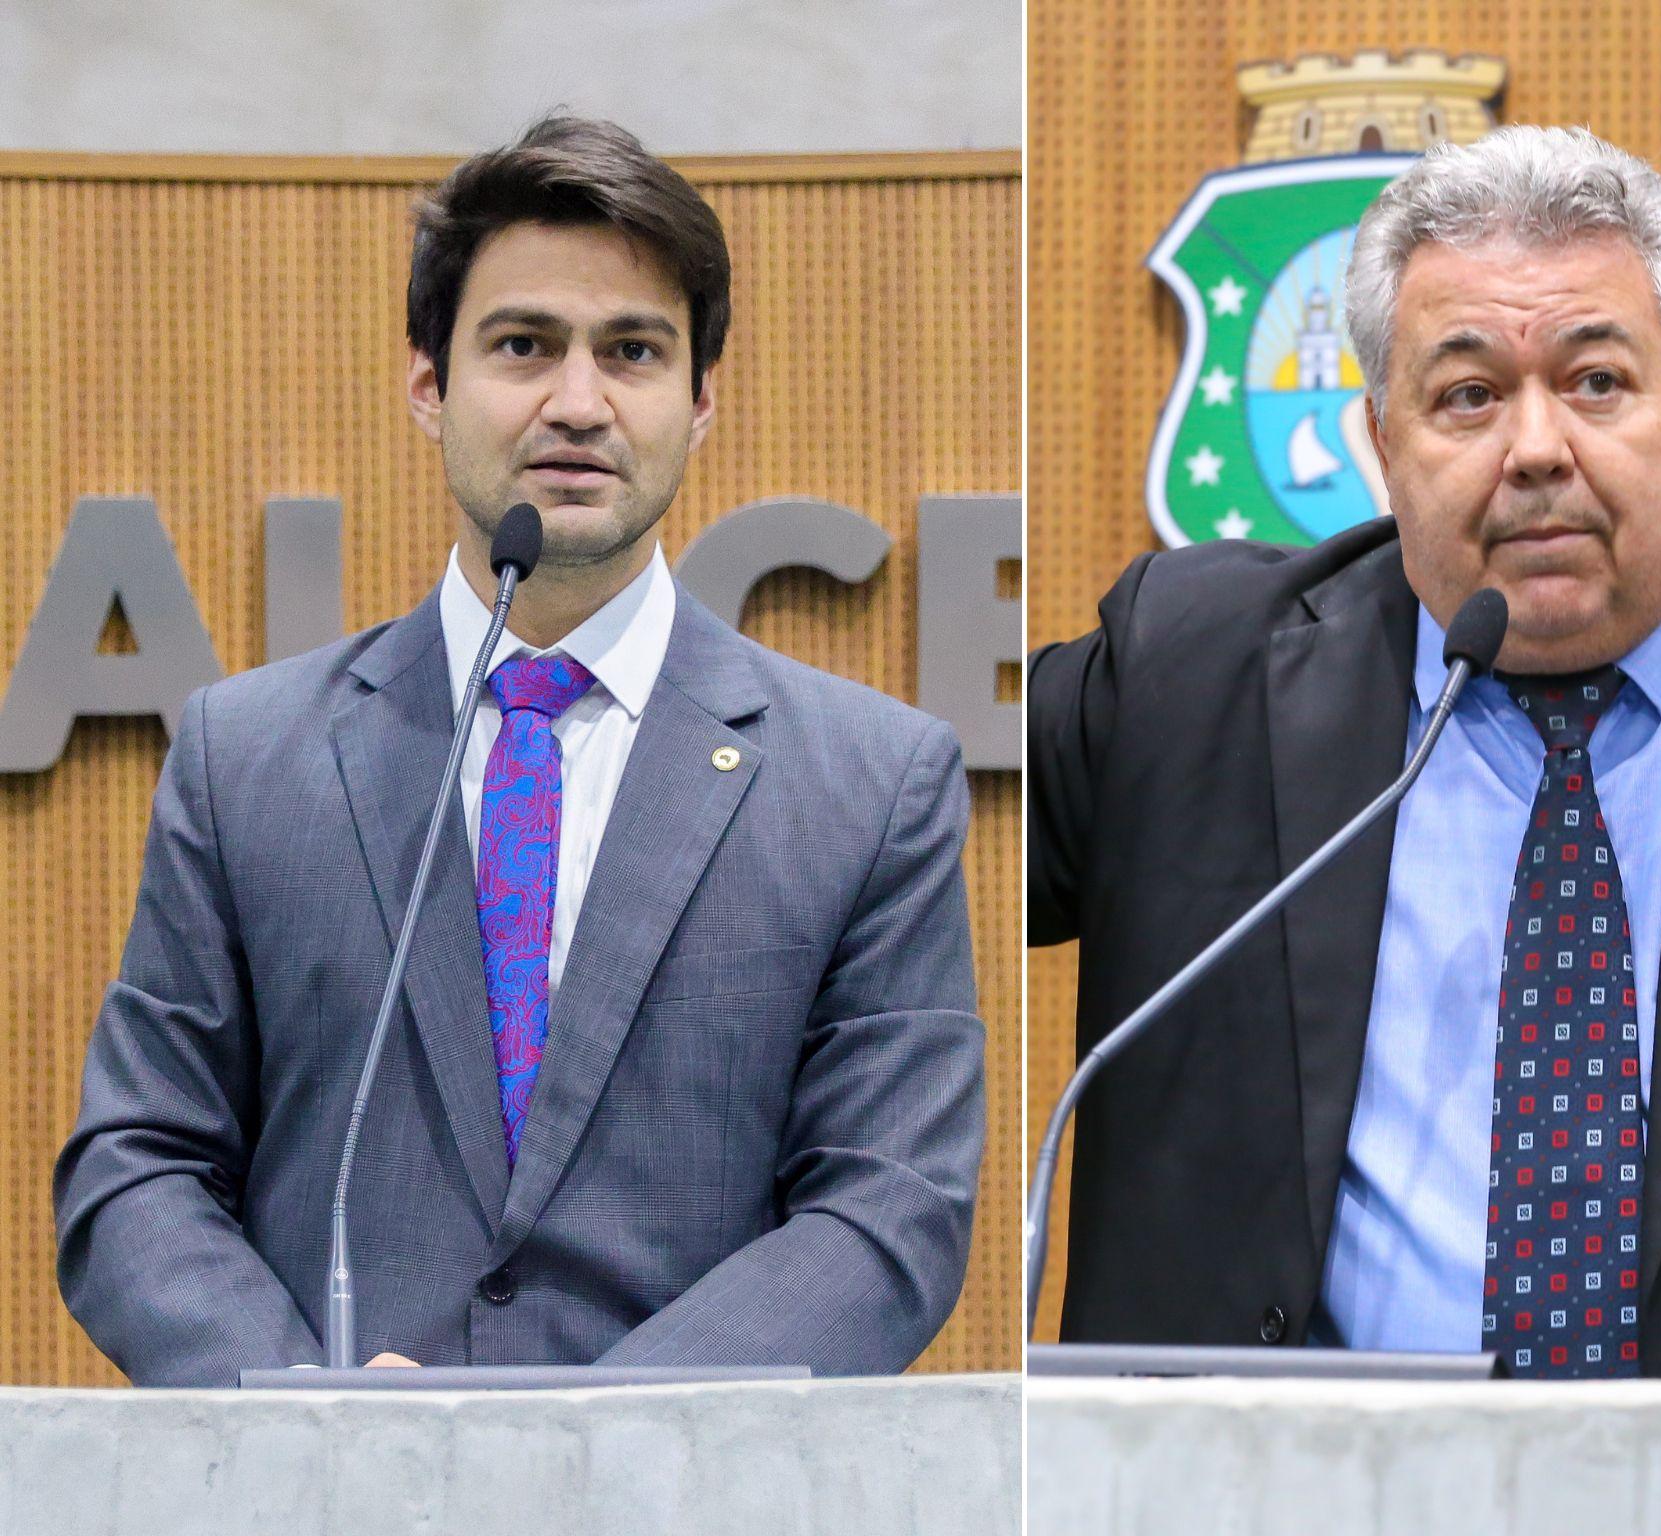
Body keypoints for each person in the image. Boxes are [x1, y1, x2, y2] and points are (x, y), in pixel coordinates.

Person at [1028, 125, 1661, 1378]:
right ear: (1381, 444)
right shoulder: (1187, 674)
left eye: (1595, 382)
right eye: (1465, 395)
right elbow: (851, 826)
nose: (1534, 449)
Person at [55, 115, 984, 1387]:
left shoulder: (872, 782)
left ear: (701, 400)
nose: (578, 402)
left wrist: (582, 1448)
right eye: (523, 345)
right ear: (428, 382)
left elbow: (888, 1214)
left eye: (634, 351)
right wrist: (302, 1416)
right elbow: (136, 1168)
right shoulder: (247, 757)